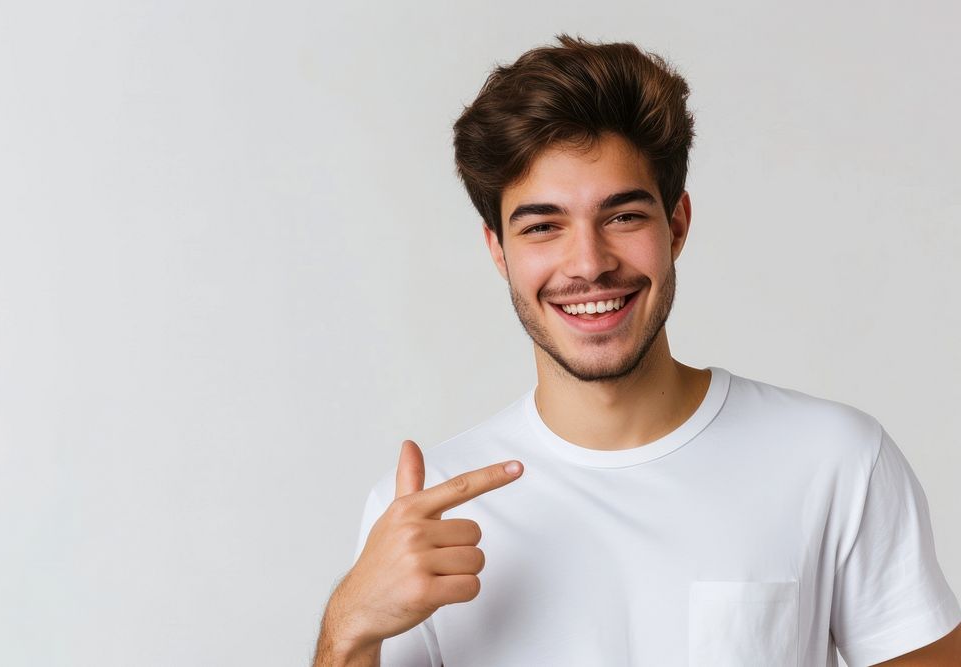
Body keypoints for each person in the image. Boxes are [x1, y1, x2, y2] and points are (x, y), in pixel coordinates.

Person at [313, 35, 961, 666]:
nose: (589, 264)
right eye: (543, 226)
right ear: (497, 251)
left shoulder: (835, 459)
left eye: (623, 216)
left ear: (676, 224)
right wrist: (350, 631)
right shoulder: (428, 510)